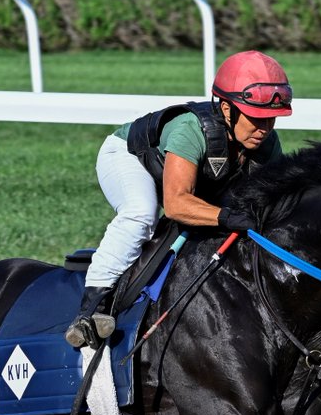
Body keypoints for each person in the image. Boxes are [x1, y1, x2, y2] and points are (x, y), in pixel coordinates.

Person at [64, 50, 294, 348]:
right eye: (255, 118)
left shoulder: (265, 143)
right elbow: (176, 204)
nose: (264, 129)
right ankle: (91, 304)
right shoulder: (191, 130)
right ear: (227, 109)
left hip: (182, 174)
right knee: (141, 213)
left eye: (271, 120)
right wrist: (226, 216)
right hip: (129, 157)